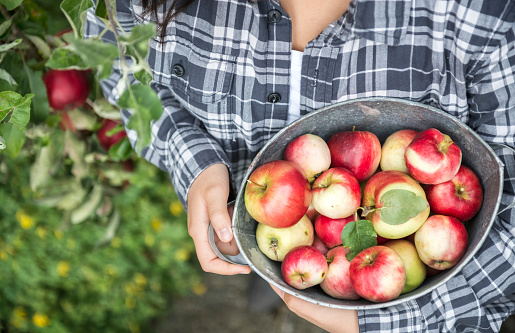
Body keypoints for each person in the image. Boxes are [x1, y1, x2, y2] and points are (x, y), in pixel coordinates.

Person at [84, 0, 515, 331]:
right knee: (280, 252)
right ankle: (271, 274)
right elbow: (120, 67)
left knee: (299, 256)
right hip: (269, 222)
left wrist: (387, 323)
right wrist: (195, 162)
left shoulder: (479, 13)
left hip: (382, 260)